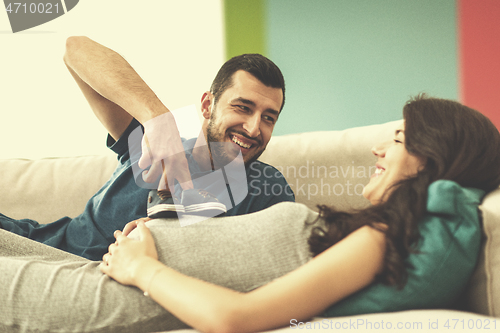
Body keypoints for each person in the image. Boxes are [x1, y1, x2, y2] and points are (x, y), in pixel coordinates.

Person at [1, 95, 499, 333]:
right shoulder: (374, 234)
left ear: (432, 158)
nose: (376, 148)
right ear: (207, 104)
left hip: (117, 286)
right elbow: (79, 50)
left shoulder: (384, 240)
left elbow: (236, 318)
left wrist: (143, 265)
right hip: (108, 265)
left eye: (396, 138)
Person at [0, 36, 294, 261]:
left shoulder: (266, 188)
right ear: (207, 105)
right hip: (37, 247)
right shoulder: (151, 141)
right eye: (243, 108)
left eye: (269, 117)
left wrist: (165, 238)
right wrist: (157, 119)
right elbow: (75, 49)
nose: (255, 128)